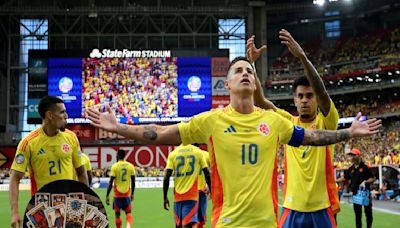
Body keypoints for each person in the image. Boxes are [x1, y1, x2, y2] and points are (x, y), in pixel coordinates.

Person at [86, 56, 381, 228]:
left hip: (267, 223)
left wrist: (348, 132)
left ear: (254, 85)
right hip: (227, 222)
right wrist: (119, 127)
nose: (245, 73)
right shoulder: (212, 121)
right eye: (238, 70)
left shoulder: (276, 122)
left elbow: (313, 137)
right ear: (227, 84)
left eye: (249, 71)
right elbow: (160, 134)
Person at [247, 30, 341, 227]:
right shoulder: (287, 123)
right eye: (300, 96)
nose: (305, 100)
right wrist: (252, 65)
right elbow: (261, 102)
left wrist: (302, 57)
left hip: (322, 208)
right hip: (291, 207)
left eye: (309, 95)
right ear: (294, 101)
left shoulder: (327, 121)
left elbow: (322, 92)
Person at [9, 96, 88, 228]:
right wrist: (15, 212)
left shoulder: (71, 137)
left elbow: (81, 173)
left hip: (70, 210)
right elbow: (14, 178)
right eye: (62, 112)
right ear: (50, 115)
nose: (66, 116)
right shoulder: (28, 143)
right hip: (43, 211)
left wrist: (86, 202)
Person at [163, 144, 210, 228]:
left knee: (179, 223)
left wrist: (165, 197)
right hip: (195, 193)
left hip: (179, 195)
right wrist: (211, 188)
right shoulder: (201, 153)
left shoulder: (174, 153)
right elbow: (209, 172)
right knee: (196, 221)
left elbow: (166, 177)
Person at [337, 148, 375, 228]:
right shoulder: (351, 169)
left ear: (358, 156)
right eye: (351, 155)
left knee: (368, 212)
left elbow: (372, 178)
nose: (352, 157)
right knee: (358, 214)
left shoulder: (365, 167)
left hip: (365, 193)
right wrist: (335, 180)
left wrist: (365, 182)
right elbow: (345, 177)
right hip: (356, 194)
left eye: (354, 155)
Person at [106, 149, 136, 228]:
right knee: (128, 213)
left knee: (117, 215)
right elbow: (133, 182)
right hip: (127, 195)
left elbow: (110, 182)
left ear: (118, 155)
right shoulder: (130, 166)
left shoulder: (115, 166)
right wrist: (132, 193)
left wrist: (107, 195)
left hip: (117, 195)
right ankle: (128, 226)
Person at [197, 149, 210, 228]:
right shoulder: (206, 154)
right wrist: (209, 187)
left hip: (188, 191)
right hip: (202, 190)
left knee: (189, 218)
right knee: (201, 218)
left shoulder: (180, 153)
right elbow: (215, 170)